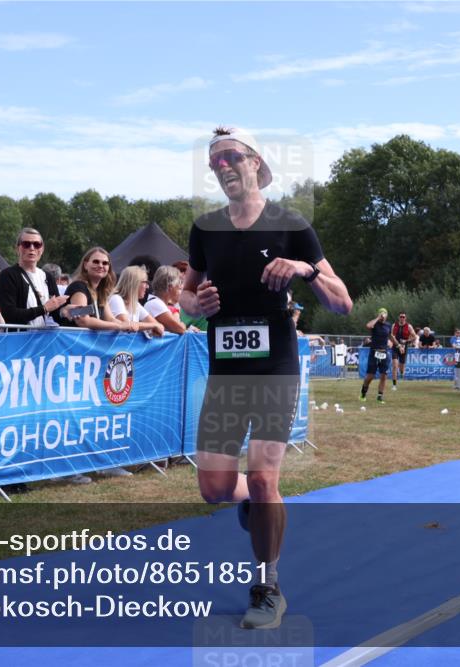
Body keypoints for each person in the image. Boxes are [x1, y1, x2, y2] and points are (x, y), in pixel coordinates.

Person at [180, 126, 352, 630]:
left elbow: (342, 302)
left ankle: (268, 587)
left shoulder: (291, 225)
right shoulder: (205, 229)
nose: (224, 167)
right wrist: (197, 305)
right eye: (215, 162)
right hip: (226, 373)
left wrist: (304, 268)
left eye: (232, 157)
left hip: (276, 365)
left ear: (256, 162)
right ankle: (257, 506)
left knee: (262, 476)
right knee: (214, 487)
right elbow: (186, 297)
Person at [0, 228, 68, 327]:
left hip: (42, 339)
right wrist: (43, 309)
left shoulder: (48, 277)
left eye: (37, 244)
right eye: (26, 244)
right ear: (18, 248)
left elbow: (55, 314)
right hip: (19, 338)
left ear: (42, 250)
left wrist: (66, 312)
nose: (32, 248)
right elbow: (8, 313)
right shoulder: (7, 275)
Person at [59, 247, 136, 332]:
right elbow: (83, 321)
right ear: (85, 265)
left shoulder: (100, 291)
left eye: (105, 263)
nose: (100, 265)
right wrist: (119, 326)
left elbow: (110, 319)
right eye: (96, 262)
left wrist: (127, 325)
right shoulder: (78, 287)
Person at [108, 266, 165, 336]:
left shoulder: (135, 304)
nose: (147, 287)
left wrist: (153, 326)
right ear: (135, 283)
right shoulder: (116, 299)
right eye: (145, 282)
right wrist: (152, 326)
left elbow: (158, 326)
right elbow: (127, 325)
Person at [360, 307, 393, 403]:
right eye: (381, 314)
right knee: (370, 376)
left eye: (384, 314)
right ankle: (363, 393)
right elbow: (368, 326)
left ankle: (379, 397)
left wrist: (398, 345)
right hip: (374, 352)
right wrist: (378, 318)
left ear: (386, 315)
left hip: (384, 352)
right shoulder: (375, 324)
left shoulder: (388, 325)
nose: (383, 316)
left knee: (384, 375)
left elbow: (390, 336)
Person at [146, 265, 189, 334]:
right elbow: (181, 329)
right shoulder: (155, 303)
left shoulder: (157, 302)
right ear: (170, 287)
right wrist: (182, 324)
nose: (181, 288)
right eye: (179, 284)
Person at [390, 312, 417, 389]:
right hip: (395, 347)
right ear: (398, 318)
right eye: (401, 317)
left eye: (403, 317)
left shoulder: (409, 326)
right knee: (395, 366)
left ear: (405, 318)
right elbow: (391, 336)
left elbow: (414, 337)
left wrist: (406, 341)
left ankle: (402, 373)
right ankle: (394, 385)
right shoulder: (394, 325)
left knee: (401, 368)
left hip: (404, 348)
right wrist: (395, 343)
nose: (402, 318)